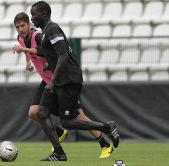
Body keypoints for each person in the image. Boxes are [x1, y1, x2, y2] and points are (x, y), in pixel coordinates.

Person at [11, 12, 114, 159]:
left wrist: (45, 61)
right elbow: (25, 47)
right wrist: (28, 61)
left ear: (29, 24)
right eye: (17, 27)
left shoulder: (39, 36)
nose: (20, 29)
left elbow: (51, 52)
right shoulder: (20, 39)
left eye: (22, 25)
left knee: (79, 116)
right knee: (34, 112)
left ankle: (105, 144)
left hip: (59, 80)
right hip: (47, 81)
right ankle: (59, 133)